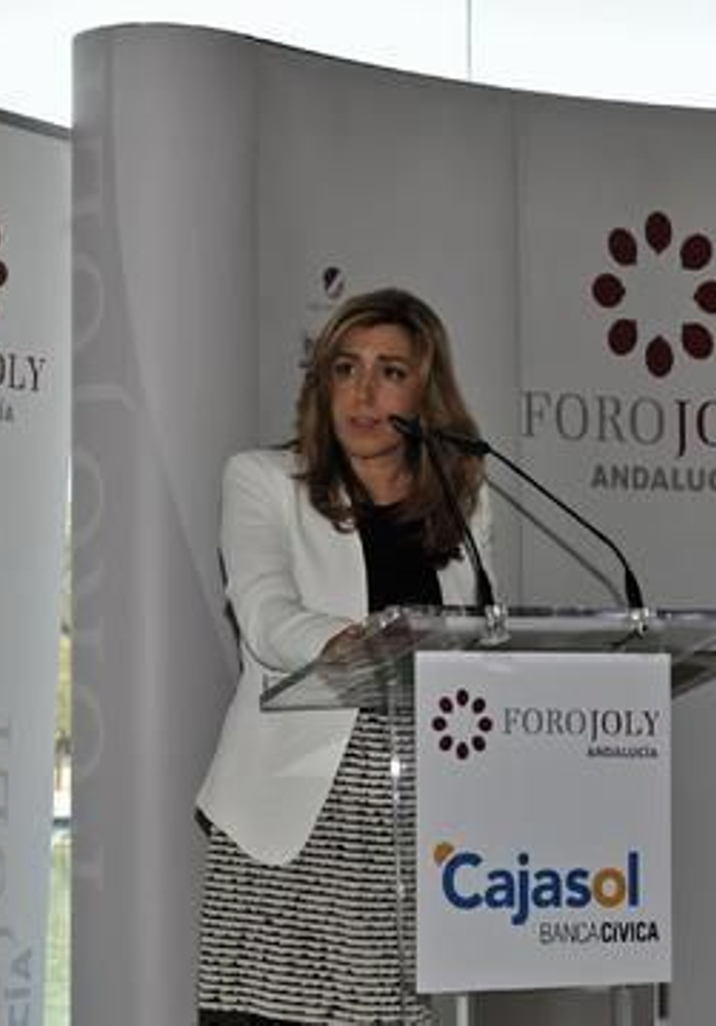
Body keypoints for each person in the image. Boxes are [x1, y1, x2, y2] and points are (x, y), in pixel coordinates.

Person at [196, 287, 492, 1025]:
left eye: (390, 371)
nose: (363, 392)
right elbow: (265, 615)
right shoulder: (264, 480)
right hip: (295, 824)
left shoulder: (463, 502)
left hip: (420, 821)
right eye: (345, 369)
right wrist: (347, 642)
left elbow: (478, 639)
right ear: (320, 382)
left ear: (426, 392)